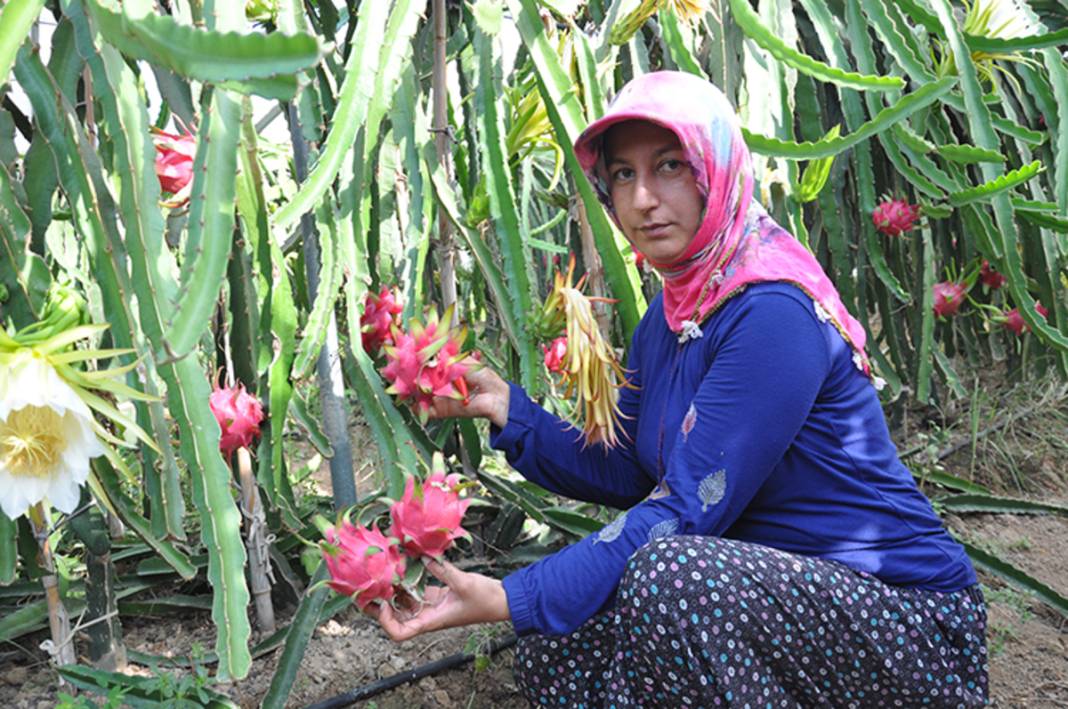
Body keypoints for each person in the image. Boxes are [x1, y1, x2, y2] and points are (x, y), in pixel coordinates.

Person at [367, 71, 988, 708]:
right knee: (560, 641)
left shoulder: (771, 312)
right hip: (776, 606)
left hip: (904, 625)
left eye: (669, 166)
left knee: (671, 577)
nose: (642, 200)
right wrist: (507, 409)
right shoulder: (673, 317)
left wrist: (510, 596)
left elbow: (688, 509)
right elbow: (628, 466)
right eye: (624, 176)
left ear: (713, 168)